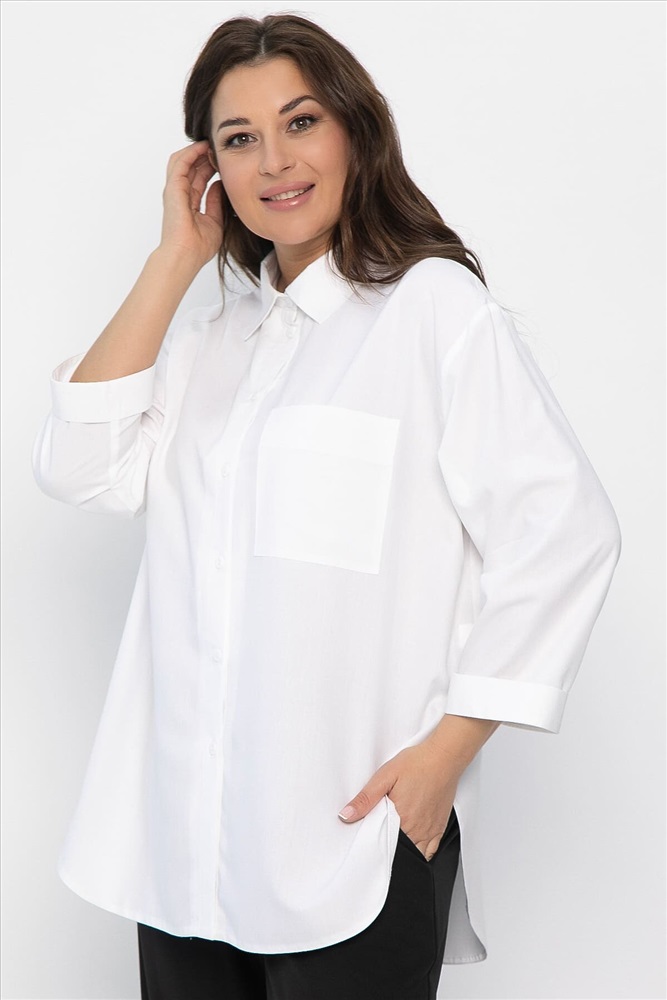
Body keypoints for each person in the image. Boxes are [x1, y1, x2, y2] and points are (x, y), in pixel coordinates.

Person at [32, 12, 622, 1000]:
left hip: (351, 839)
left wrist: (446, 754)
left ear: (354, 129)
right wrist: (174, 260)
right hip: (184, 848)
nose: (275, 160)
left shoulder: (431, 310)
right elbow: (78, 467)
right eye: (239, 138)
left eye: (300, 122)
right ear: (209, 170)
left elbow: (564, 533)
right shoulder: (208, 341)